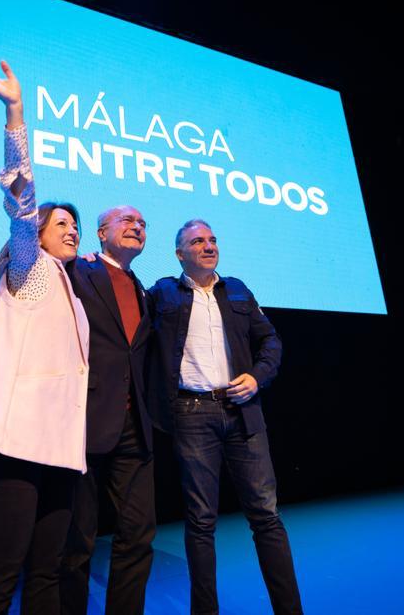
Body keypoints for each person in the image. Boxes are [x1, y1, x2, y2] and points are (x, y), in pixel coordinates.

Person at [0, 58, 90, 615]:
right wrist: (15, 112)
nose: (72, 230)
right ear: (35, 237)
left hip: (59, 450)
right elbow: (22, 200)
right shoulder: (29, 269)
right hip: (13, 445)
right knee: (1, 577)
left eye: (74, 225)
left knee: (45, 577)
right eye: (61, 224)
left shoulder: (71, 290)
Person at [148, 219, 303, 615]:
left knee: (266, 515)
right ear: (179, 253)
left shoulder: (237, 289)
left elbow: (270, 340)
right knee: (201, 521)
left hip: (244, 412)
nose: (208, 245)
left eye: (212, 239)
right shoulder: (163, 292)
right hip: (192, 414)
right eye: (197, 241)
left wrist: (258, 376)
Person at [60, 206, 156, 615]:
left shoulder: (144, 290)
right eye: (127, 221)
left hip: (136, 426)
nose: (137, 227)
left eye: (142, 224)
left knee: (138, 535)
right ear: (100, 233)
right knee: (76, 540)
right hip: (85, 422)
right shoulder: (78, 271)